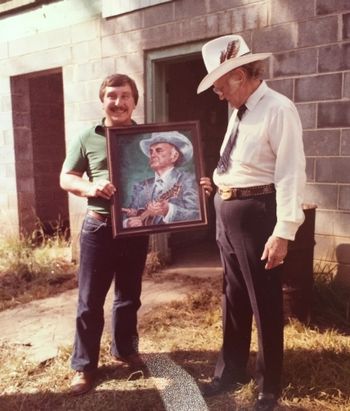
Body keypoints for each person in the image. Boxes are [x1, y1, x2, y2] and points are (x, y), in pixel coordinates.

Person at [197, 35, 306, 411]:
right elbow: (241, 163)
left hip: (258, 213)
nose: (218, 94)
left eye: (220, 85)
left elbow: (291, 173)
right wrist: (218, 181)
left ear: (240, 75)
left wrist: (283, 232)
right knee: (233, 295)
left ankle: (269, 384)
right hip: (227, 210)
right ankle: (230, 371)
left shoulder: (278, 109)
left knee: (265, 299)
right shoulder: (240, 111)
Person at [60, 74, 150, 395]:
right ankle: (83, 367)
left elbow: (166, 176)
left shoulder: (147, 137)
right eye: (112, 96)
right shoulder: (87, 137)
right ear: (103, 101)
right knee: (89, 301)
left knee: (129, 297)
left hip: (136, 229)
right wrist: (90, 187)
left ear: (134, 101)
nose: (118, 102)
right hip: (98, 227)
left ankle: (125, 349)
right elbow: (66, 177)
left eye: (125, 96)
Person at [122, 131, 200, 227]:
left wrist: (168, 210)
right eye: (151, 151)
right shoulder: (140, 186)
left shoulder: (188, 179)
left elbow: (198, 215)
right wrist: (128, 223)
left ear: (174, 156)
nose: (152, 155)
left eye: (159, 150)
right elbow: (126, 217)